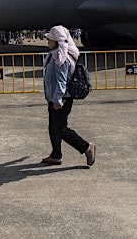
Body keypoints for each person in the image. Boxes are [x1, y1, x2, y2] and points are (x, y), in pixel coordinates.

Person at [40, 25, 96, 166]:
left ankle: (86, 148)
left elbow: (61, 81)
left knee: (61, 128)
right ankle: (56, 154)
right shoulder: (55, 55)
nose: (48, 42)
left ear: (58, 41)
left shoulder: (61, 58)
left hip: (62, 99)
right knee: (53, 127)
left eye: (50, 39)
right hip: (54, 98)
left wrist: (58, 100)